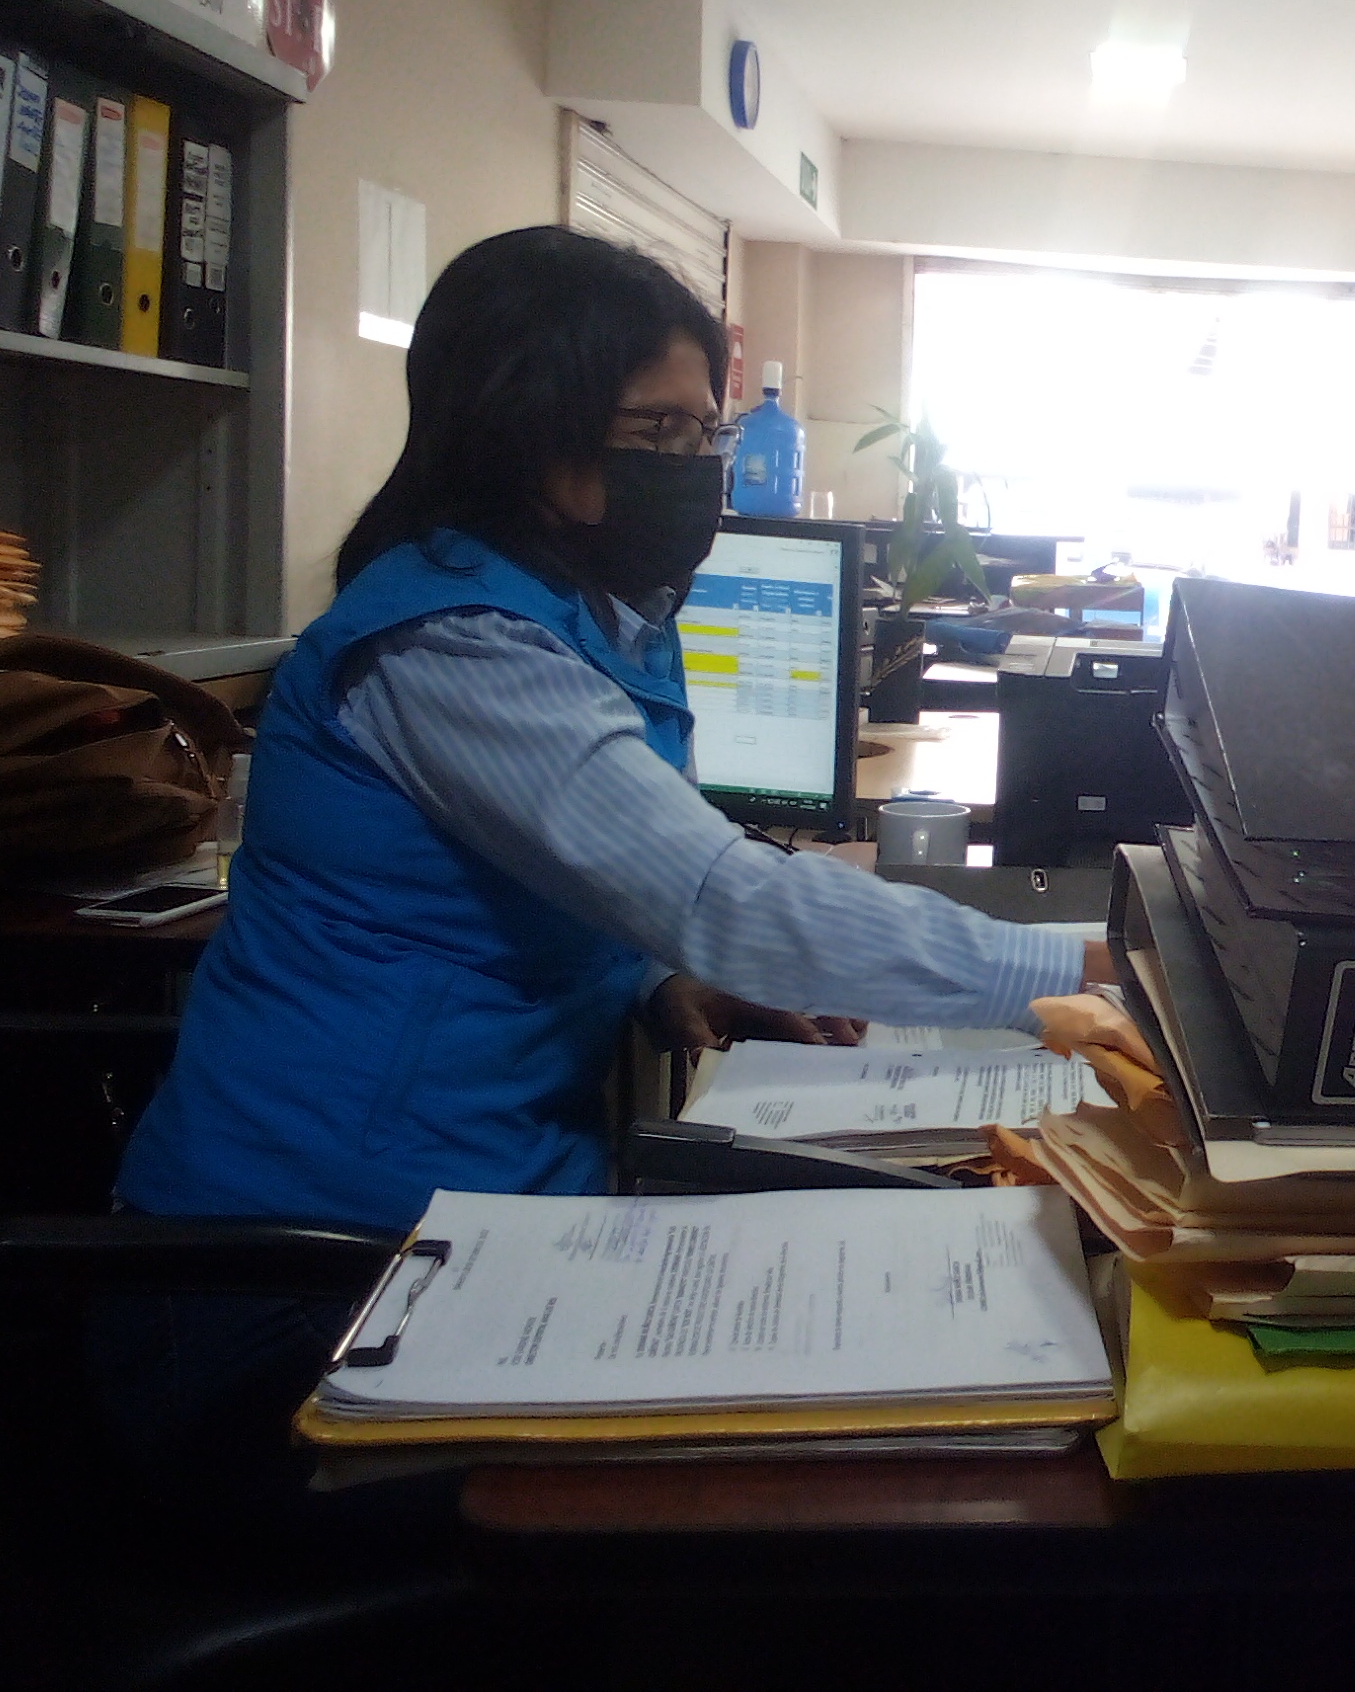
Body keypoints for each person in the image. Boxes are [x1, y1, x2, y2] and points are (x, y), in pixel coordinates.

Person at [99, 228, 1111, 1522]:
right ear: (527, 429)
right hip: (295, 1281)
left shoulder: (590, 613)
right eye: (657, 431)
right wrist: (1077, 975)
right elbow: (720, 893)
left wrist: (651, 978)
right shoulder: (455, 642)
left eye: (705, 431)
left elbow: (541, 868)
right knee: (804, 1490)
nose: (695, 468)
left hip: (462, 1228)